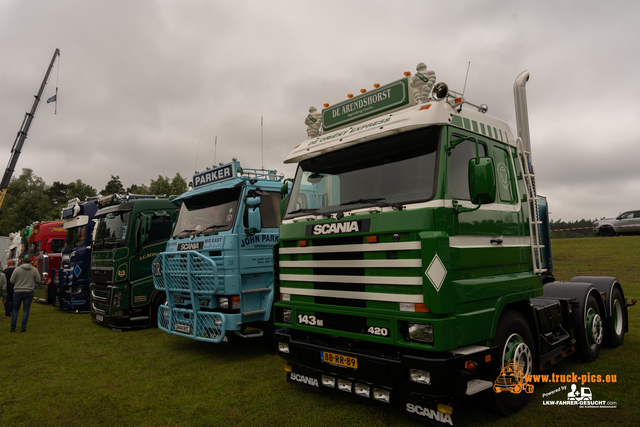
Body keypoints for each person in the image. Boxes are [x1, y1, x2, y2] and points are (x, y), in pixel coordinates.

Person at [10, 258, 40, 332]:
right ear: (31, 262)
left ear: (22, 262)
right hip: (29, 291)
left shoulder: (17, 269)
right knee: (26, 310)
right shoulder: (34, 270)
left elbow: (12, 280)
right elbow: (38, 280)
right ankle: (23, 328)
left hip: (18, 290)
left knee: (15, 310)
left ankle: (13, 327)